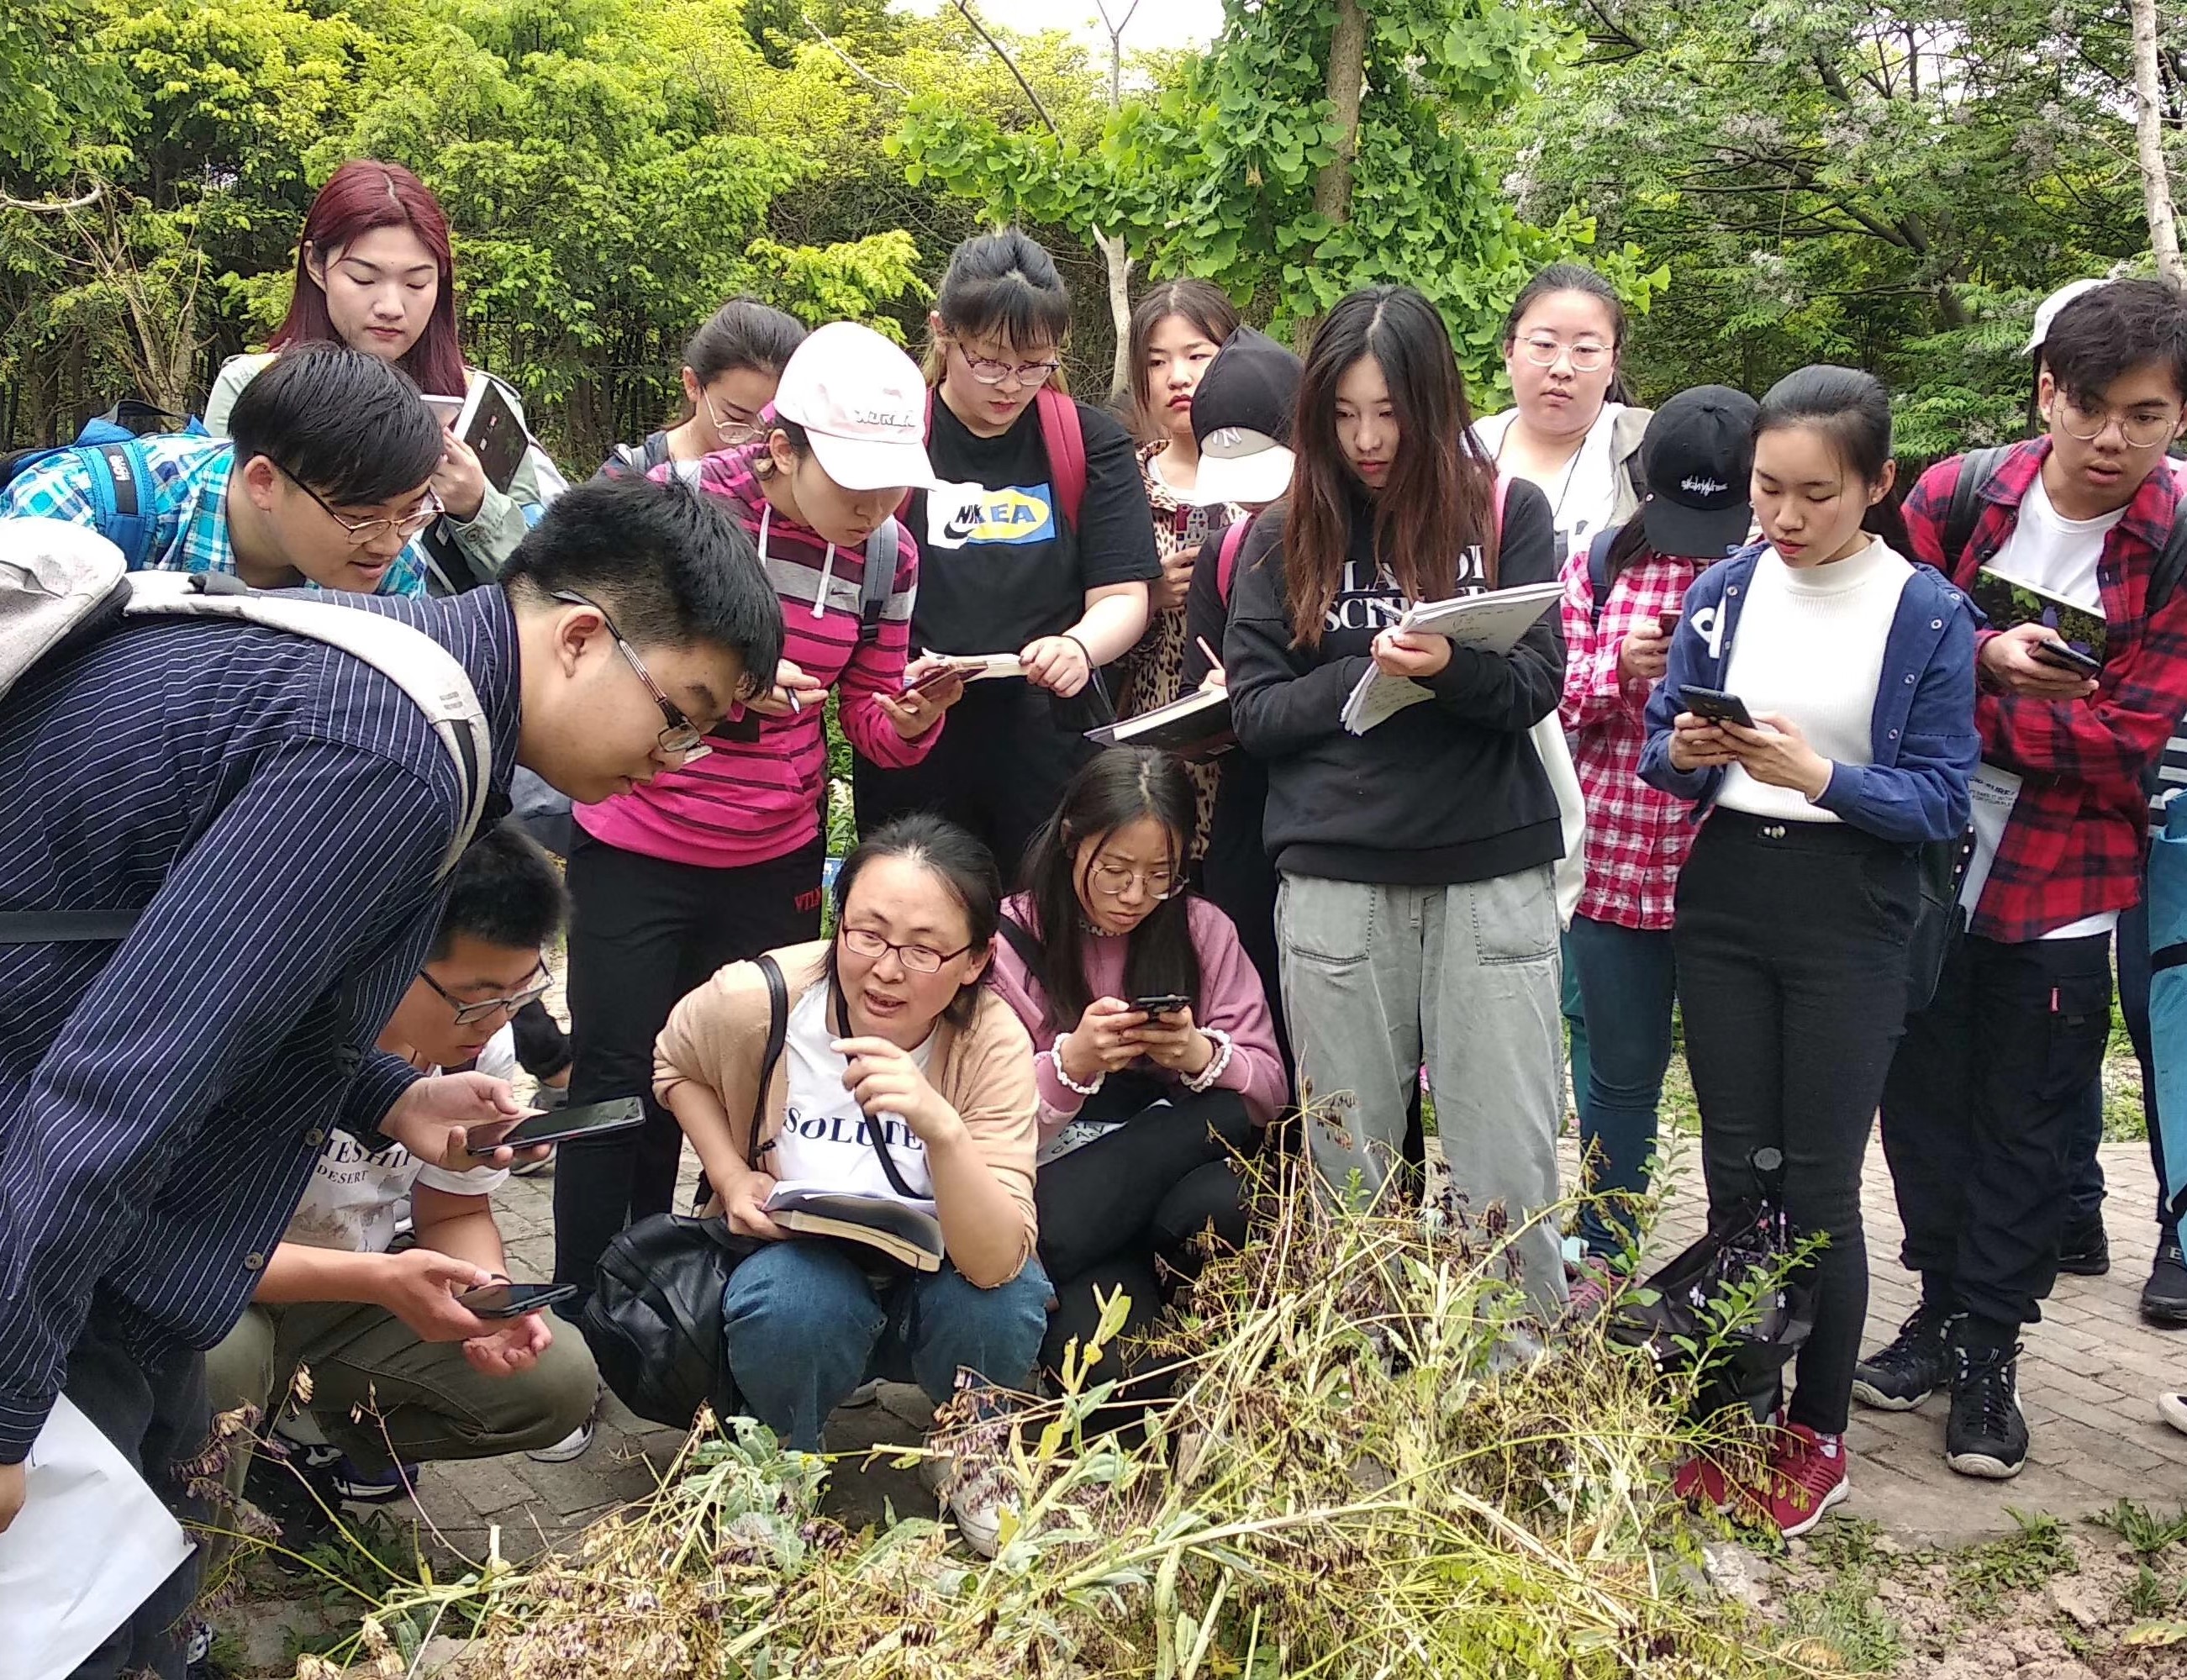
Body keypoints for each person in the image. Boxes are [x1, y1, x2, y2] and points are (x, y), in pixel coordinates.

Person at [0, 472, 781, 1678]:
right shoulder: (394, 751)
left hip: (106, 1229)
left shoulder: (409, 688)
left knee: (142, 1552)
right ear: (583, 637)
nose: (674, 758)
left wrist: (389, 1094)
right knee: (65, 1618)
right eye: (677, 712)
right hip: (40, 1219)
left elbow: (227, 972)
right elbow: (112, 1088)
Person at [553, 321, 961, 1325]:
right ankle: (585, 1314)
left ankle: (713, 1314)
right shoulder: (679, 513)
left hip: (772, 849)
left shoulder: (887, 556)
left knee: (750, 1082)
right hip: (639, 836)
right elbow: (597, 655)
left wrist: (907, 722)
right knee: (618, 1083)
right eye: (853, 481)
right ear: (782, 448)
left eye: (892, 483)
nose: (874, 506)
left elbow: (864, 707)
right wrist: (733, 683)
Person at [1640, 366, 1979, 1535]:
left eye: (1814, 496)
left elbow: (1943, 799)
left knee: (1819, 1185)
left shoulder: (1926, 613)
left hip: (1855, 908)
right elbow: (1656, 744)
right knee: (1739, 1175)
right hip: (1728, 891)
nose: (1782, 519)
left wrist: (1820, 776)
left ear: (1877, 484)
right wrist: (1685, 746)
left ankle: (1812, 1428)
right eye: (1764, 491)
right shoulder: (1728, 587)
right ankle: (1729, 1404)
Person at [1859, 278, 2187, 1480]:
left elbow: (2128, 746)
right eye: (2090, 406)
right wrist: (1985, 665)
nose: (2111, 439)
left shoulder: (2173, 539)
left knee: (2029, 1121)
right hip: (1926, 865)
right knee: (1920, 1100)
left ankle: (1991, 1345)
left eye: (2144, 415)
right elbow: (1879, 656)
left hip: (2066, 882)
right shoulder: (1956, 493)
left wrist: (1966, 696)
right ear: (2046, 389)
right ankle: (1937, 1308)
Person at [1225, 283, 1568, 1311]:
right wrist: (1364, 672)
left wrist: (1446, 669)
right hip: (1338, 881)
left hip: (1488, 875)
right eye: (1343, 414)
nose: (1368, 439)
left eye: (1389, 411)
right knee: (1352, 1181)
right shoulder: (1285, 530)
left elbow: (1534, 687)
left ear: (1433, 399)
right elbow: (1255, 714)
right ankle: (1365, 1416)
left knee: (1507, 1173)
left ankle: (1521, 1412)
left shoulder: (1506, 510)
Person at [652, 814, 1047, 1556]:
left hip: (940, 1270)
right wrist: (732, 1176)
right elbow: (674, 1064)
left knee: (1010, 1299)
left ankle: (970, 1444)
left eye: (924, 948)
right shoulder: (760, 997)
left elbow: (996, 1260)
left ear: (975, 959)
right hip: (802, 1257)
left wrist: (943, 1130)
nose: (887, 969)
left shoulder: (992, 1039)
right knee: (795, 1303)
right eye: (866, 933)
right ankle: (777, 1462)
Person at [202, 824, 598, 1523]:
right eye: (476, 996)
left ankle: (316, 1438)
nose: (497, 1020)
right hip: (229, 1292)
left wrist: (487, 1299)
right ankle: (179, 1573)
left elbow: (454, 1212)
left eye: (521, 991)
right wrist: (384, 1281)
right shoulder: (266, 1028)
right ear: (388, 950)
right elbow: (188, 1255)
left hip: (358, 1293)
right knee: (217, 1359)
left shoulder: (482, 1048)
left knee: (557, 1377)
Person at [853, 229, 1161, 879]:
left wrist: (1078, 646)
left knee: (1043, 936)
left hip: (1048, 743)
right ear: (943, 333)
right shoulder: (893, 444)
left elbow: (1123, 595)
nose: (1011, 385)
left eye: (1034, 365)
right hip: (917, 742)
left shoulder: (1089, 441)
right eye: (989, 360)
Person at [985, 747, 1284, 1403]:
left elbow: (1269, 1089)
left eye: (1160, 875)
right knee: (1121, 1392)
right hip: (1053, 1183)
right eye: (1116, 869)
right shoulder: (1008, 937)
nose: (1134, 896)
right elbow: (989, 1117)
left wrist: (1199, 1056)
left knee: (1226, 1180)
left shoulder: (1202, 930)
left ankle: (1174, 1310)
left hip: (1154, 1186)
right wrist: (1075, 1061)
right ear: (1071, 841)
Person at [1558, 385, 1759, 1302]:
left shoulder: (1780, 570)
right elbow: (1548, 703)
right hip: (1611, 868)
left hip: (1728, 874)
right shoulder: (1599, 564)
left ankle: (1741, 1248)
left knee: (1740, 1089)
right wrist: (1616, 664)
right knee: (1617, 1073)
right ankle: (1603, 1244)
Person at [1472, 262, 1655, 1138]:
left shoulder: (1647, 456)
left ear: (1613, 360)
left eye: (1587, 349)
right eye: (1543, 344)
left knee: (1595, 1007)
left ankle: (1598, 1220)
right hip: (1491, 751)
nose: (1562, 367)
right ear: (1508, 350)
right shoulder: (1461, 452)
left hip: (1614, 777)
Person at [203, 159, 565, 592]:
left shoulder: (480, 403)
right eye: (364, 278)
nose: (391, 306)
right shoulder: (253, 384)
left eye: (416, 284)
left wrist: (476, 505)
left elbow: (545, 579)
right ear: (317, 266)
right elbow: (221, 522)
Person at [1, 341, 443, 595]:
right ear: (264, 482)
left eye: (413, 510)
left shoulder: (394, 561)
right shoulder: (73, 512)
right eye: (359, 518)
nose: (390, 543)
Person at [1179, 325, 1305, 1061]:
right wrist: (1220, 696)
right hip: (1247, 812)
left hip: (1344, 817)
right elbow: (1204, 692)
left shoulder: (1371, 543)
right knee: (1248, 1007)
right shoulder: (1227, 553)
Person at [1115, 279, 1244, 739]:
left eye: (1196, 355)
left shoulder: (1271, 485)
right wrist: (1147, 600)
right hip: (1153, 738)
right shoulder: (1119, 485)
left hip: (1250, 735)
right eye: (1157, 361)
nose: (1178, 377)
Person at [597, 296, 807, 480]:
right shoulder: (626, 478)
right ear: (693, 384)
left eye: (770, 424)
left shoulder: (788, 484)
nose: (754, 439)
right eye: (737, 418)